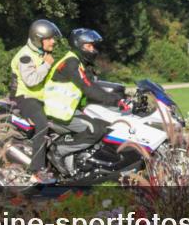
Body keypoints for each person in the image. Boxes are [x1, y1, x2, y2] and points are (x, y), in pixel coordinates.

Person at [41, 28, 124, 154]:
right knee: (96, 129)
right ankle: (58, 151)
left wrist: (119, 95)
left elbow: (93, 85)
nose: (93, 50)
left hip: (68, 111)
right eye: (89, 46)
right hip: (56, 113)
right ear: (79, 45)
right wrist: (116, 101)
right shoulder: (71, 63)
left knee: (104, 122)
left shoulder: (78, 62)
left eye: (93, 46)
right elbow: (88, 88)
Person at [9, 19, 61, 184]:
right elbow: (31, 80)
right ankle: (36, 171)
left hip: (40, 98)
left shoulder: (40, 54)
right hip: (24, 98)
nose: (53, 41)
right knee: (42, 124)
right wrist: (46, 65)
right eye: (50, 38)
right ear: (39, 39)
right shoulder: (25, 56)